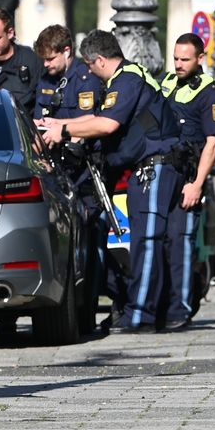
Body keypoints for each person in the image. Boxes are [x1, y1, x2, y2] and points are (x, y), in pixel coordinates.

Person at [37, 30, 186, 331]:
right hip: (145, 168)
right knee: (147, 241)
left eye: (91, 66)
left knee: (148, 242)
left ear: (101, 60)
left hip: (153, 167)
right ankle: (150, 310)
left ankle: (141, 314)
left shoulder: (126, 80)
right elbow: (97, 117)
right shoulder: (125, 78)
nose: (89, 72)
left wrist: (63, 132)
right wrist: (59, 123)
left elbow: (106, 124)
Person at [35, 23, 116, 323]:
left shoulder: (85, 78)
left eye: (50, 59)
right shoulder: (46, 78)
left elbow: (92, 119)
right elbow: (38, 116)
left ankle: (89, 310)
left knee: (92, 237)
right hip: (56, 169)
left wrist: (66, 134)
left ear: (66, 52)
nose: (45, 66)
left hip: (84, 170)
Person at [161, 32, 215, 323]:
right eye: (175, 58)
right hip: (164, 176)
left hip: (190, 178)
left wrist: (198, 184)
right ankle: (161, 304)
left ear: (200, 58)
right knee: (159, 241)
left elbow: (213, 143)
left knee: (180, 241)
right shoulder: (166, 84)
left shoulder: (210, 92)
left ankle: (182, 308)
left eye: (184, 59)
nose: (178, 64)